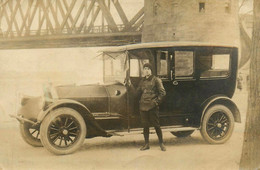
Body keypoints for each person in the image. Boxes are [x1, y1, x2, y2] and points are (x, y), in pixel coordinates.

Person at [135, 63, 166, 151]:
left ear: (151, 70)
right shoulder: (142, 81)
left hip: (152, 107)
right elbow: (137, 93)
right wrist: (129, 86)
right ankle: (146, 144)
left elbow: (163, 93)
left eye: (148, 68)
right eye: (145, 69)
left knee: (156, 125)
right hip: (143, 107)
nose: (146, 70)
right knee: (145, 126)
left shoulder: (156, 80)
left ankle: (161, 144)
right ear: (143, 71)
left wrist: (156, 102)